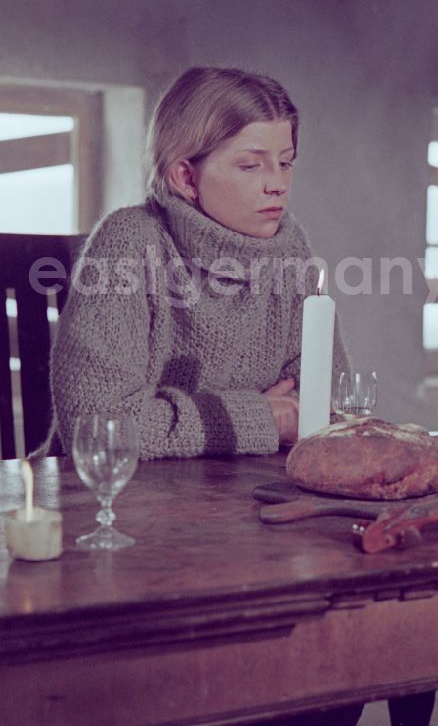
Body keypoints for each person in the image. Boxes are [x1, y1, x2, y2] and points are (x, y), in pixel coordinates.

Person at [51, 66, 348, 461]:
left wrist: (171, 418)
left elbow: (328, 408)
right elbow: (98, 426)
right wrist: (262, 417)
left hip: (244, 496)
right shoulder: (127, 245)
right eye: (250, 165)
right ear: (186, 178)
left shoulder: (290, 251)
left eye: (286, 162)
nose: (278, 183)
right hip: (119, 500)